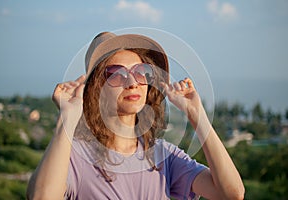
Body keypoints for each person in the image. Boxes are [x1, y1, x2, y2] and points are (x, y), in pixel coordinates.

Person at [26, 32, 245, 200]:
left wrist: (197, 116)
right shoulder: (75, 156)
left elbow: (231, 193)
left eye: (141, 72)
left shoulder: (163, 155)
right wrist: (68, 116)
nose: (132, 83)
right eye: (116, 74)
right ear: (95, 89)